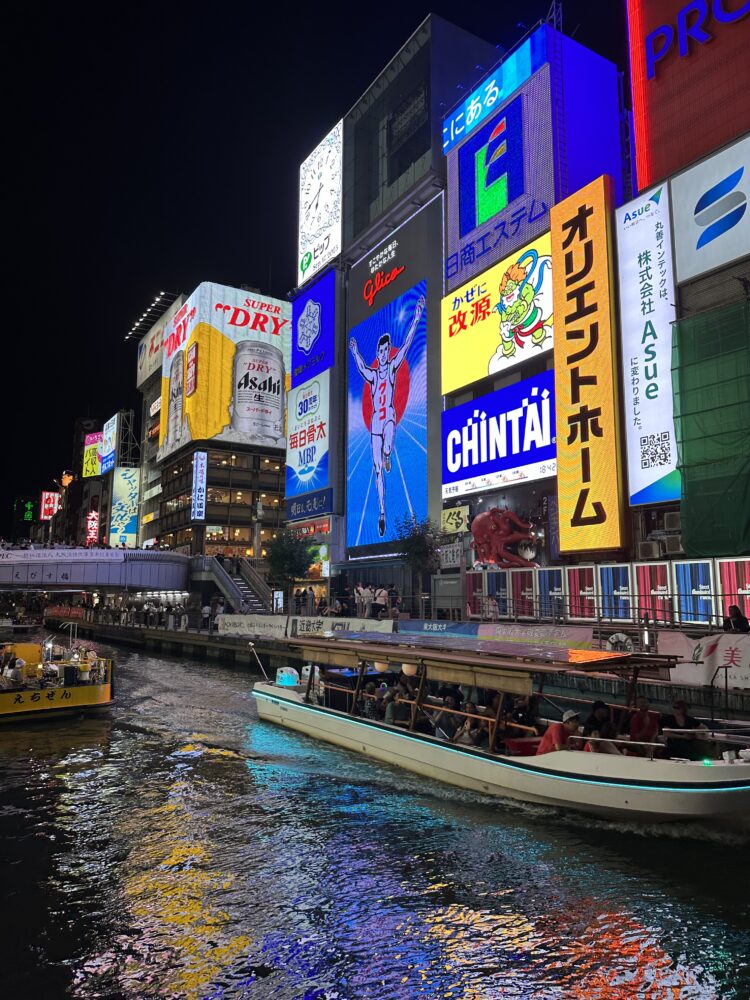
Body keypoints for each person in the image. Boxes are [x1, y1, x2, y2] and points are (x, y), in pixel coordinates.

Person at [349, 294, 425, 537]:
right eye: (380, 350)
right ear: (377, 351)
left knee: (388, 447)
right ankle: (382, 512)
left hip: (389, 417)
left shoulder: (392, 367)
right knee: (377, 469)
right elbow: (361, 367)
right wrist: (354, 351)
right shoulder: (373, 374)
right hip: (375, 423)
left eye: (385, 350)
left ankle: (387, 453)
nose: (383, 353)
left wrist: (417, 316)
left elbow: (407, 344)